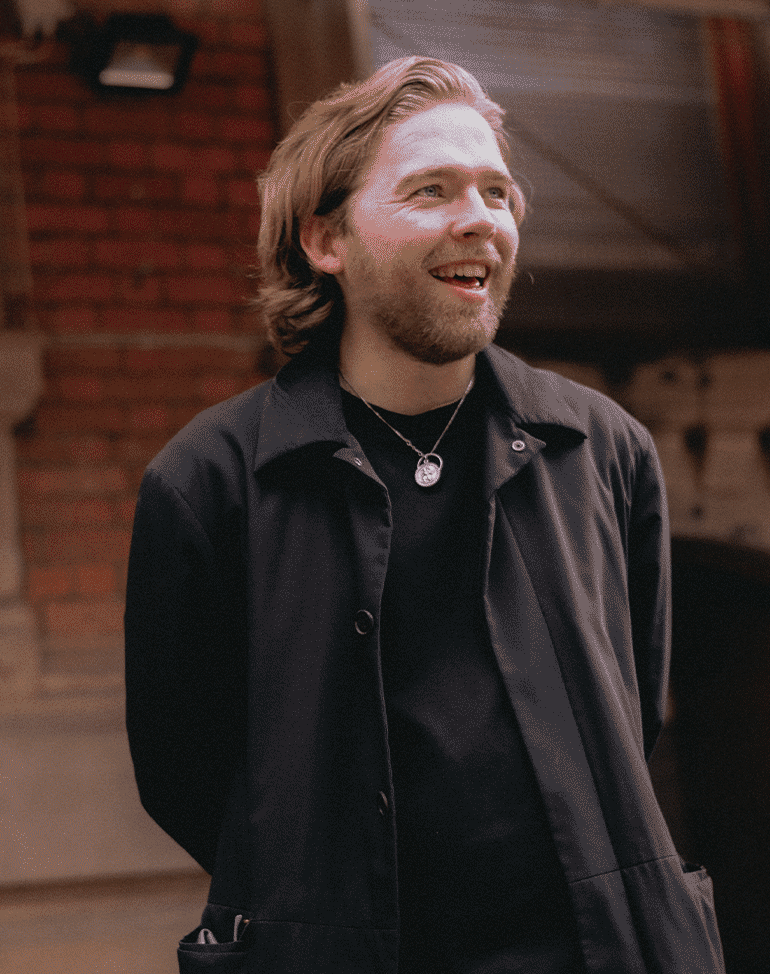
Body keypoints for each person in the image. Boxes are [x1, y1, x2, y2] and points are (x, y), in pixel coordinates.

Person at [124, 56, 726, 973]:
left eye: (496, 190)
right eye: (432, 190)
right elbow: (186, 773)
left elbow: (626, 714)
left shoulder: (604, 451)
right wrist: (316, 894)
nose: (479, 218)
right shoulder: (207, 483)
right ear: (325, 240)